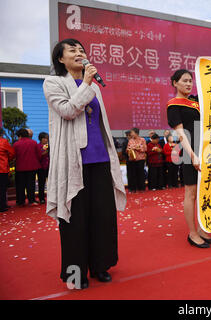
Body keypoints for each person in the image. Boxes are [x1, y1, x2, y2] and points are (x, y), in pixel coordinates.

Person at [43, 38, 126, 289]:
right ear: (60, 58)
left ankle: (101, 265)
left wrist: (89, 83)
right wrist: (87, 83)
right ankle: (74, 273)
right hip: (73, 160)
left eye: (81, 50)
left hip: (99, 157)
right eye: (72, 50)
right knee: (75, 220)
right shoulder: (53, 83)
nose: (79, 53)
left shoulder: (94, 87)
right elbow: (68, 110)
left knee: (102, 216)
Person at [167, 69, 211, 248]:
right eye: (184, 81)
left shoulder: (196, 100)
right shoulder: (173, 104)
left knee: (204, 192)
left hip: (207, 150)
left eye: (190, 81)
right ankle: (192, 233)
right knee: (191, 192)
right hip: (190, 151)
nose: (188, 84)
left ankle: (201, 229)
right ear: (175, 83)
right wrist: (193, 155)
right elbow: (180, 134)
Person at [13, 129, 41, 205]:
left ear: (20, 136)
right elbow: (39, 154)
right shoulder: (34, 143)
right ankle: (31, 200)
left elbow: (13, 156)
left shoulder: (16, 144)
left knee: (20, 185)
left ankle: (20, 201)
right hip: (32, 167)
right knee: (31, 185)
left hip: (20, 167)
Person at [126, 127, 147, 193]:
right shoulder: (130, 140)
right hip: (132, 159)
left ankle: (141, 188)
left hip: (140, 159)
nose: (131, 134)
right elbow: (127, 149)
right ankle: (133, 188)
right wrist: (129, 149)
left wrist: (136, 148)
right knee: (133, 174)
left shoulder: (142, 140)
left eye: (132, 132)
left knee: (140, 174)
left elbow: (144, 149)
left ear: (136, 133)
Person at [0, 128, 15, 212]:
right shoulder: (4, 142)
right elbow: (12, 153)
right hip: (2, 168)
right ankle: (2, 206)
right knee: (2, 188)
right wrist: (8, 159)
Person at [37, 132, 50, 204]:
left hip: (49, 166)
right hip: (41, 167)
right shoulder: (38, 146)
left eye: (47, 138)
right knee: (41, 183)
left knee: (51, 183)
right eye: (45, 138)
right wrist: (44, 153)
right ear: (41, 139)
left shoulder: (49, 146)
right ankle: (41, 198)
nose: (46, 140)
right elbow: (38, 156)